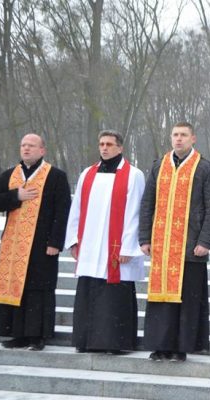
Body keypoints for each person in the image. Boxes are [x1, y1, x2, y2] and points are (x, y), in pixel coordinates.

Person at [139, 122, 210, 362]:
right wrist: (144, 237)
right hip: (162, 245)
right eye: (175, 135)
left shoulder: (205, 168)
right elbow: (147, 204)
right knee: (161, 298)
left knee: (187, 299)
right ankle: (160, 344)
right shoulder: (159, 166)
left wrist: (206, 240)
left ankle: (181, 346)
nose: (178, 139)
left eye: (183, 135)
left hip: (190, 245)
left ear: (193, 138)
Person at [65, 130, 145, 354]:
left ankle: (115, 342)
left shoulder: (133, 175)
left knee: (114, 296)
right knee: (90, 291)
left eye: (109, 144)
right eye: (101, 144)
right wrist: (74, 241)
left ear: (120, 148)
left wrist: (129, 246)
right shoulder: (87, 174)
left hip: (117, 247)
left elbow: (135, 212)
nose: (104, 148)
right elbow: (77, 209)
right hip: (90, 245)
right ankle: (87, 340)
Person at [0, 133, 71, 351]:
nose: (26, 149)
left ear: (42, 150)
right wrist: (15, 196)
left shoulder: (55, 176)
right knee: (16, 286)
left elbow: (62, 211)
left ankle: (37, 336)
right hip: (14, 242)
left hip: (42, 242)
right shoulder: (9, 175)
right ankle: (17, 333)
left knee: (38, 288)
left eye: (31, 146)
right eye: (23, 145)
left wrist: (55, 241)